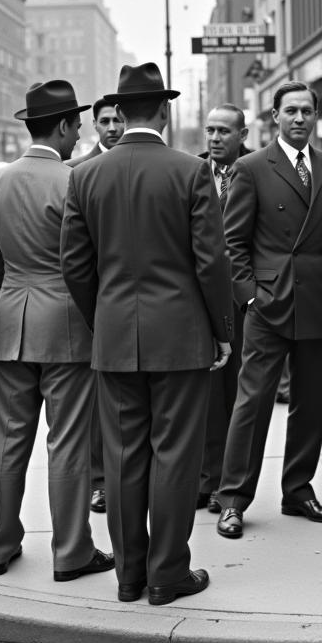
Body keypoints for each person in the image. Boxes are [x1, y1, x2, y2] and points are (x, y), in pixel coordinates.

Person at [61, 62, 233, 606]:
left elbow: (74, 265)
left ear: (123, 111)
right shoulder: (189, 171)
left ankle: (130, 576)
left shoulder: (86, 175)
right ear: (163, 110)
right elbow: (211, 261)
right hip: (180, 335)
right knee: (175, 456)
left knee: (122, 459)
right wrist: (221, 330)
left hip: (115, 336)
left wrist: (103, 318)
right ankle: (168, 573)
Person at [0, 80, 114, 583]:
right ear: (59, 126)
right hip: (67, 326)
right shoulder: (75, 181)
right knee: (69, 443)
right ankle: (72, 551)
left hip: (12, 319)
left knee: (8, 441)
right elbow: (87, 263)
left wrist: (11, 301)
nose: (79, 135)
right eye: (76, 125)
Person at [215, 81, 322, 541]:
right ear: (274, 116)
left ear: (315, 116)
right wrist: (250, 295)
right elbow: (231, 242)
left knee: (311, 404)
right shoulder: (251, 168)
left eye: (306, 111)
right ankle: (233, 499)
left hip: (318, 303)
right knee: (251, 405)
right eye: (290, 111)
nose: (299, 118)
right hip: (268, 305)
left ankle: (298, 490)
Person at [67, 95, 124, 517]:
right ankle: (100, 482)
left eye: (119, 120)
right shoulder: (76, 173)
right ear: (93, 126)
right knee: (95, 407)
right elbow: (73, 256)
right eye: (104, 121)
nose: (112, 127)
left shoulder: (148, 163)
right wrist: (92, 310)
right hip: (95, 308)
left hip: (135, 308)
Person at [196, 103, 252, 514]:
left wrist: (251, 295)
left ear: (242, 135)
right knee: (205, 397)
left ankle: (228, 483)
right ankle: (205, 479)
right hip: (198, 304)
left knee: (237, 396)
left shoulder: (256, 172)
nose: (214, 138)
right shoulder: (191, 173)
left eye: (223, 132)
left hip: (242, 305)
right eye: (209, 131)